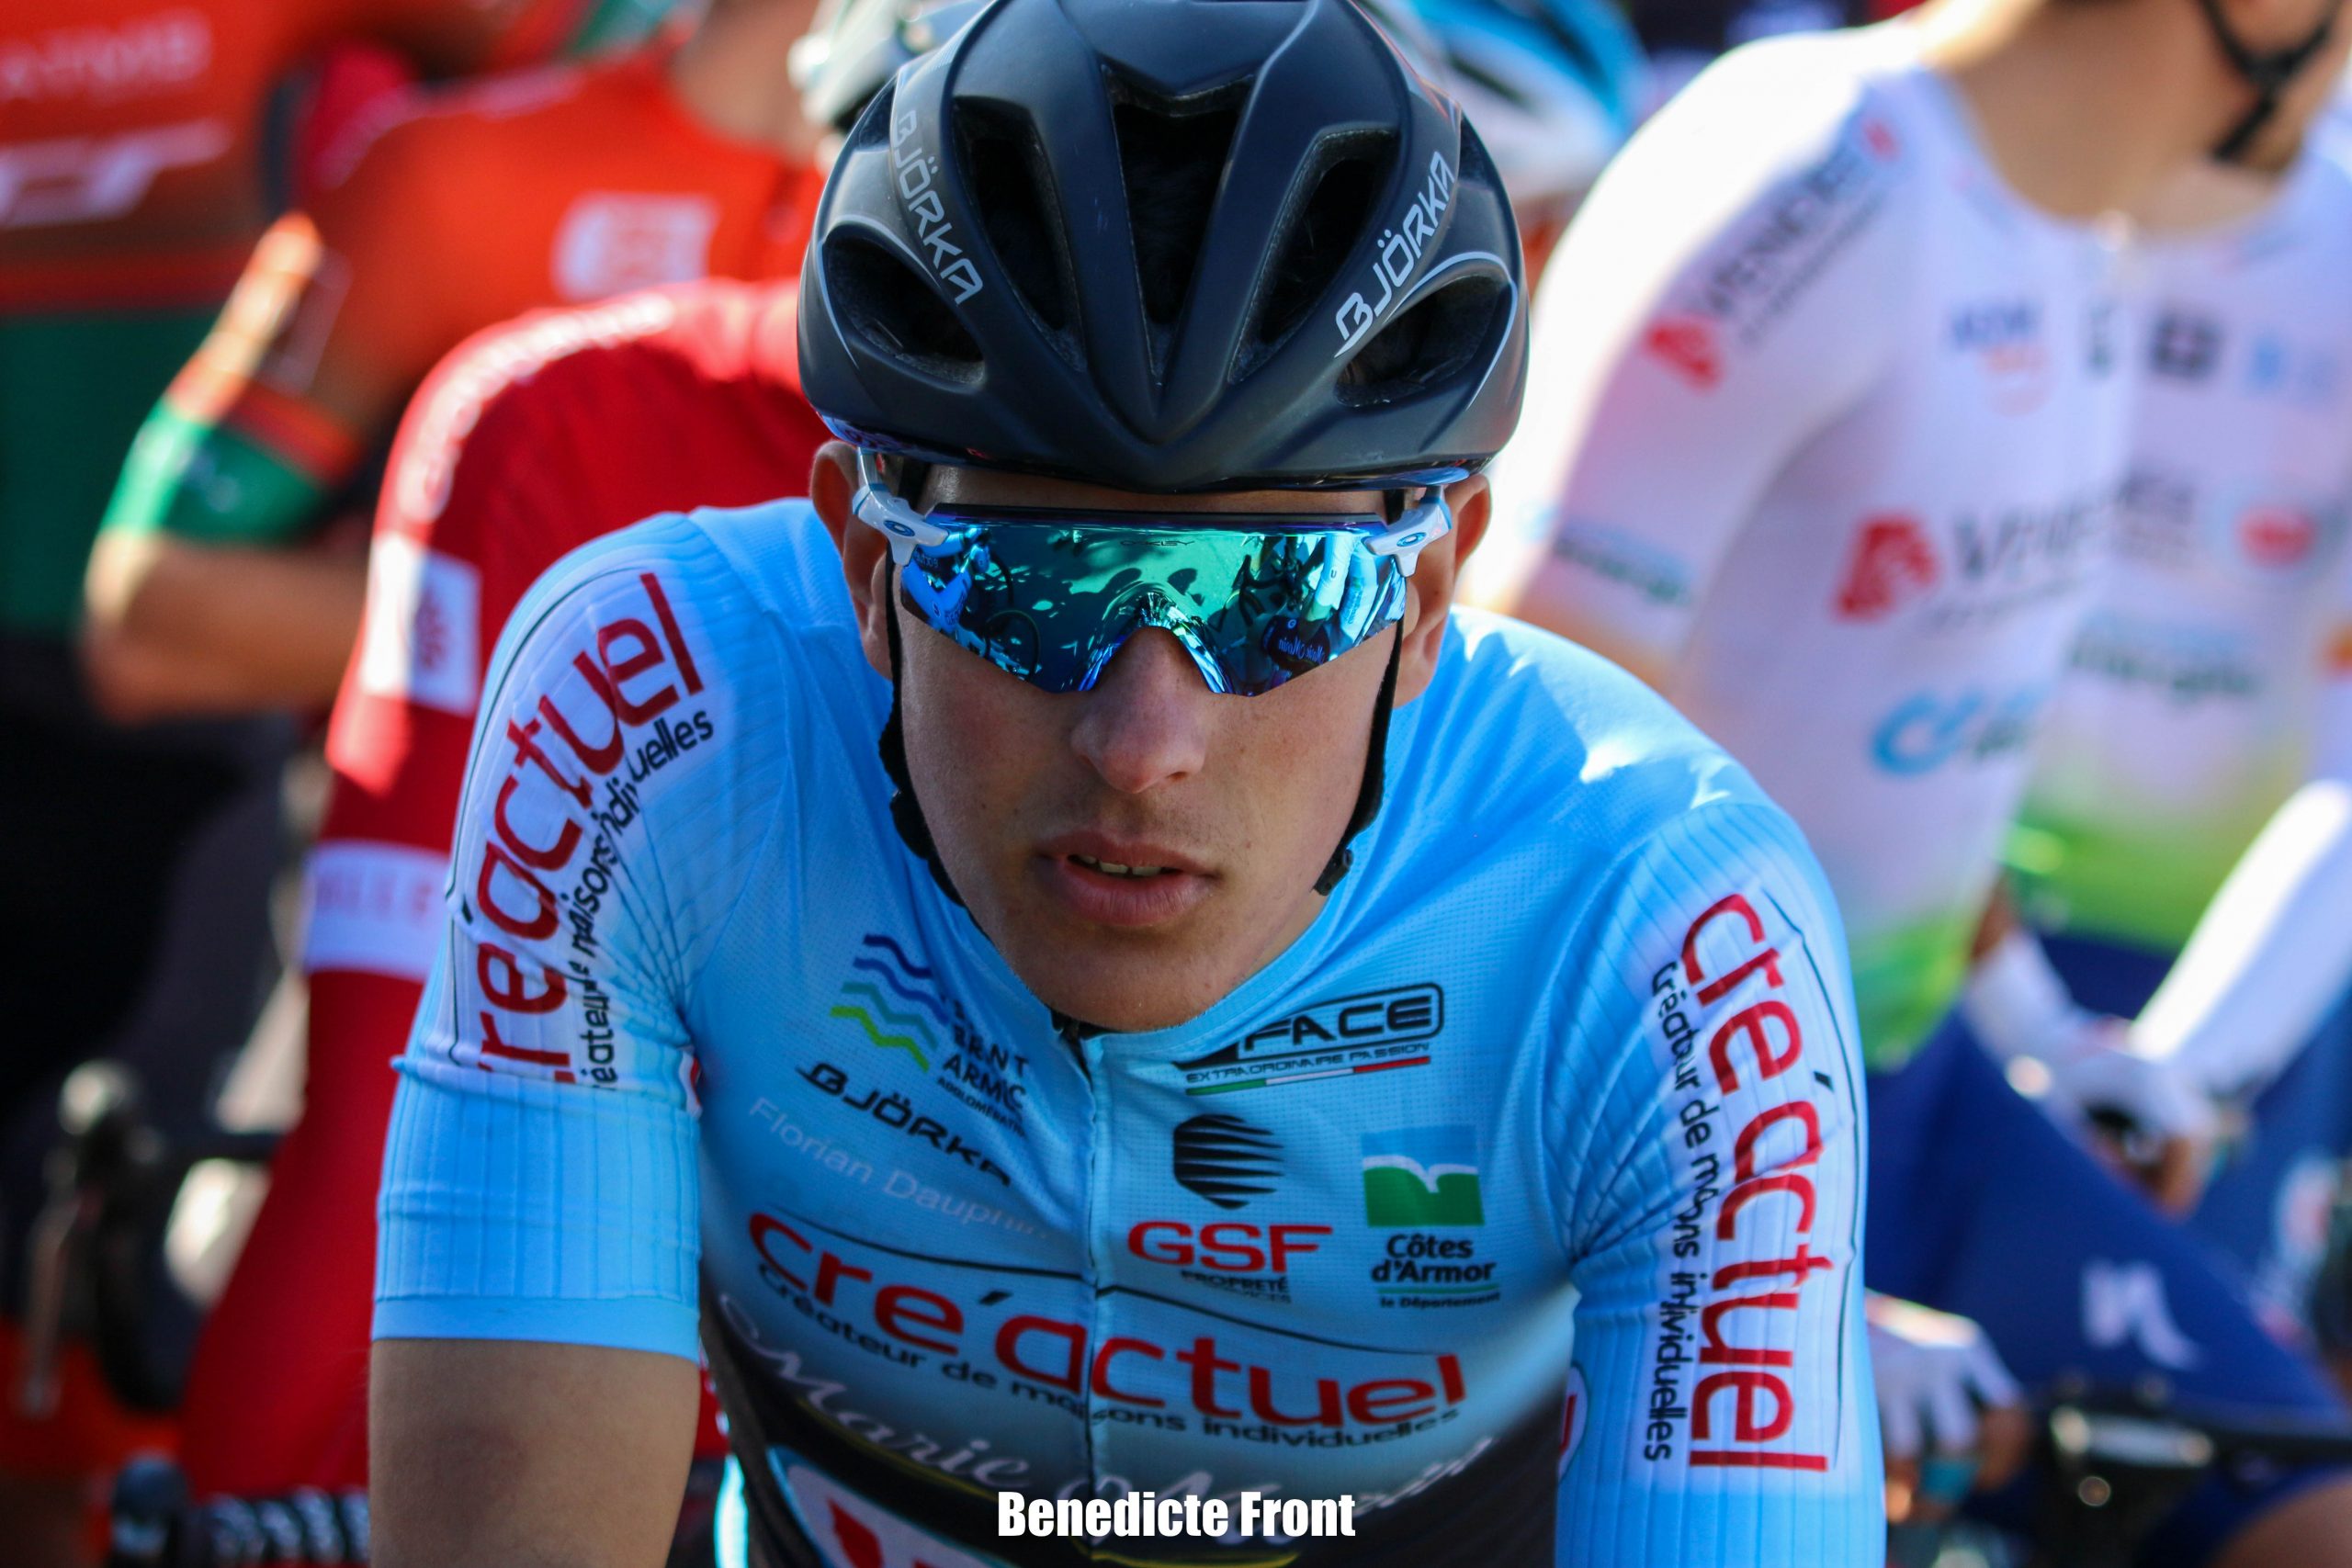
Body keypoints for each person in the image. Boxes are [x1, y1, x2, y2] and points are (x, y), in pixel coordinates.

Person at [368, 0, 1883, 1562]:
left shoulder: (1662, 923)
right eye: (1036, 587)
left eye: (1281, 595)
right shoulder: (662, 721)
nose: (1144, 739)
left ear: (1430, 597)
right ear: (867, 564)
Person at [1466, 0, 2352, 1555]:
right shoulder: (1818, 171)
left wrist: (2040, 1028)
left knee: (2310, 1518)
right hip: (1678, 1125)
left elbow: (1909, 727)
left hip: (1918, 1076)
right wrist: (1749, 1276)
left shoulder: (2090, 225)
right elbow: (1507, 763)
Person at [0, 3, 661, 1561]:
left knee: (74, 1327)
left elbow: (590, 90)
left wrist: (485, 559)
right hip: (162, 676)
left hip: (158, 769)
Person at [80, 0, 832, 723]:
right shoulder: (451, 175)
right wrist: (597, 630)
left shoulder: (900, 200)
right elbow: (147, 614)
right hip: (495, 802)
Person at [1970, 127, 2352, 1343]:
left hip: (2241, 964)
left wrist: (2174, 1077)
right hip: (1936, 942)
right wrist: (2021, 1014)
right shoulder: (1963, 198)